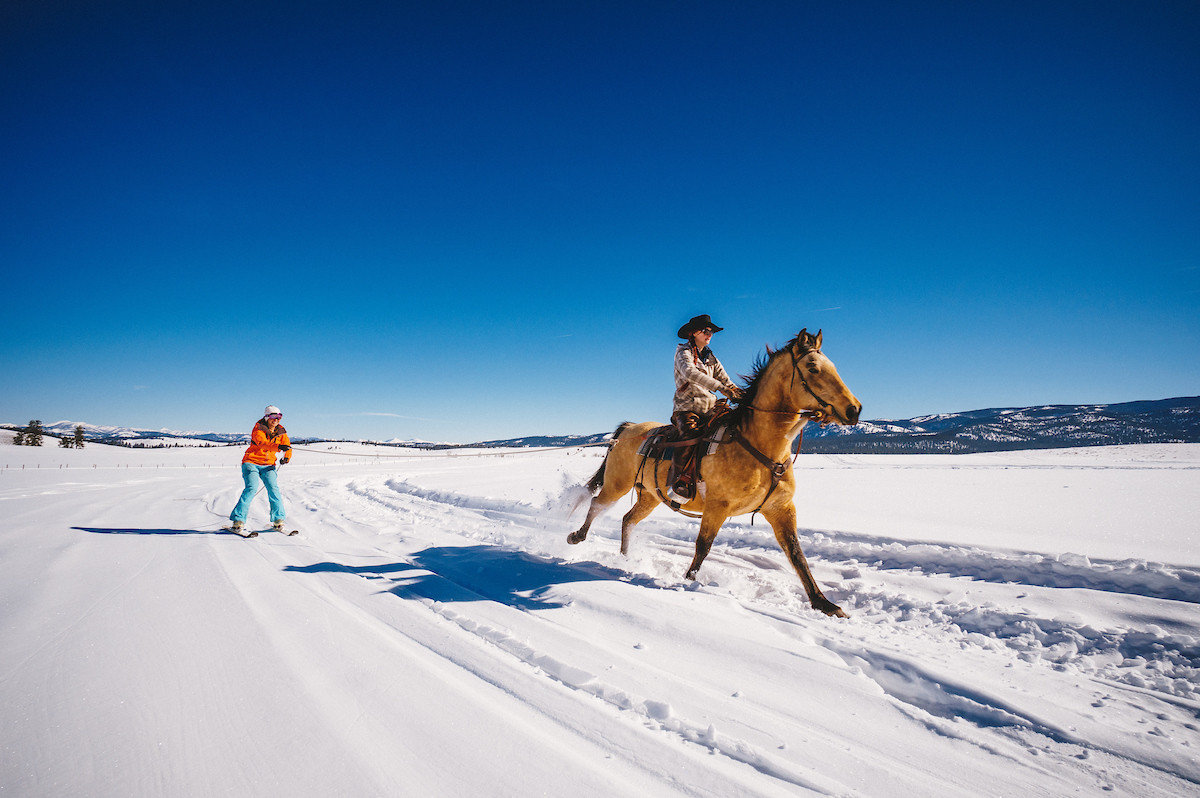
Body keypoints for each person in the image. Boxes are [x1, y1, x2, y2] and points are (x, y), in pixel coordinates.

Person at [671, 315, 742, 498]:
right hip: (687, 408)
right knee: (690, 436)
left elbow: (725, 379)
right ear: (694, 333)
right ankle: (681, 481)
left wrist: (737, 391)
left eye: (711, 331)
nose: (709, 334)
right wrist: (721, 388)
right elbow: (690, 373)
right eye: (706, 330)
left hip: (710, 408)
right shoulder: (683, 352)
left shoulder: (710, 356)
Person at [229, 405, 292, 534]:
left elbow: (287, 446)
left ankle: (278, 520)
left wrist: (286, 457)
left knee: (273, 489)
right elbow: (263, 444)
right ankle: (238, 521)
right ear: (267, 417)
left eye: (279, 417)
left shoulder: (281, 431)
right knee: (251, 488)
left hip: (268, 465)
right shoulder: (258, 429)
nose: (276, 420)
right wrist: (278, 447)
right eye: (273, 417)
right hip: (251, 462)